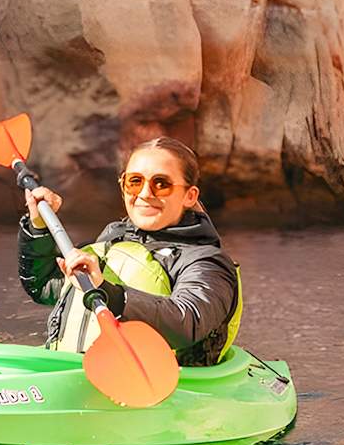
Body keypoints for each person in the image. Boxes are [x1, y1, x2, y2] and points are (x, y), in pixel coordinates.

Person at [18, 137, 241, 367]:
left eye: (161, 184)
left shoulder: (206, 262)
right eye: (135, 182)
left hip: (171, 386)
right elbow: (42, 287)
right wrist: (38, 227)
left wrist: (108, 292)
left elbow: (188, 321)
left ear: (190, 196)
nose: (144, 193)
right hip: (79, 370)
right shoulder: (112, 241)